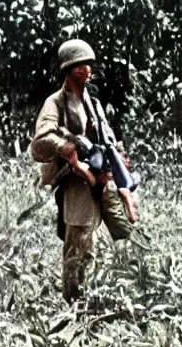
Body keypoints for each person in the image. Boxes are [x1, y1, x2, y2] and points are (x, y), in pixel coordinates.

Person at [30, 39, 134, 302]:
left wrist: (118, 158)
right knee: (78, 245)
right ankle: (73, 303)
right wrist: (69, 150)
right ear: (68, 69)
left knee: (116, 233)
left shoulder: (93, 102)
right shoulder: (55, 103)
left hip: (99, 177)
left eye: (88, 64)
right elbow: (40, 141)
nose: (86, 69)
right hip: (76, 180)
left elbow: (107, 136)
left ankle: (89, 298)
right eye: (79, 66)